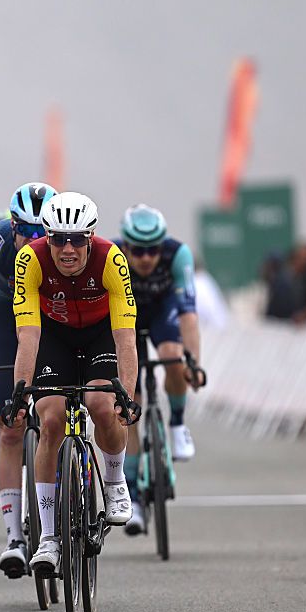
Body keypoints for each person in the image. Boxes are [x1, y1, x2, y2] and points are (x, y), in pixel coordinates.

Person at [7, 192, 140, 576]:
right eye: (58, 239)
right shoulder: (29, 259)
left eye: (77, 239)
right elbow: (28, 335)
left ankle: (114, 481)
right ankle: (48, 537)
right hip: (55, 337)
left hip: (100, 336)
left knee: (102, 405)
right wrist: (20, 389)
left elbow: (126, 338)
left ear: (91, 236)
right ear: (46, 238)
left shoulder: (111, 258)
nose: (68, 249)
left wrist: (125, 397)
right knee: (50, 420)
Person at [0, 182, 57, 576]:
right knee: (10, 428)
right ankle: (15, 536)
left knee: (63, 404)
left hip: (52, 313)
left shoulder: (65, 250)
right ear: (12, 225)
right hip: (4, 315)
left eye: (42, 233)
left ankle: (78, 475)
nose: (33, 240)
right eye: (26, 231)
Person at [115, 205, 205, 534]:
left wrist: (193, 363)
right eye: (138, 251)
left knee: (172, 355)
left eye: (153, 250)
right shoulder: (112, 257)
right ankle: (134, 498)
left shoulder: (177, 255)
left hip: (163, 311)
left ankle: (178, 424)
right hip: (126, 320)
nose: (146, 259)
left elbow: (189, 316)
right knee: (130, 404)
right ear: (125, 246)